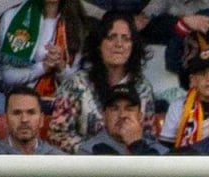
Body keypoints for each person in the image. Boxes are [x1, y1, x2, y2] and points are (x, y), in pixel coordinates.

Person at [48, 11, 154, 154]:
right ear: (99, 44)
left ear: (132, 46)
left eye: (126, 39)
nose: (119, 44)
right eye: (111, 37)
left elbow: (148, 137)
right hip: (87, 167)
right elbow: (57, 134)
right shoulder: (76, 84)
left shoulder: (143, 88)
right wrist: (94, 152)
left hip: (131, 168)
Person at [0, 0, 85, 106]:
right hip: (19, 102)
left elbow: (78, 84)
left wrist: (61, 66)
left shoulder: (77, 24)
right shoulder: (11, 17)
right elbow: (5, 75)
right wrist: (42, 68)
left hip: (60, 105)